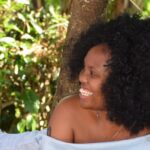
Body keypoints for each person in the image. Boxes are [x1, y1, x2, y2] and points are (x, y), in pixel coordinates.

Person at [48, 13, 150, 144]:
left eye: (93, 73)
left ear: (123, 83)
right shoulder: (68, 113)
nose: (81, 77)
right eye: (83, 68)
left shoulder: (145, 125)